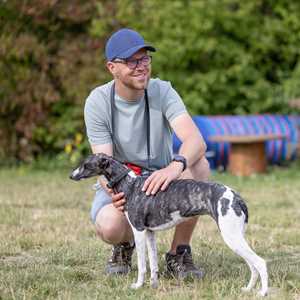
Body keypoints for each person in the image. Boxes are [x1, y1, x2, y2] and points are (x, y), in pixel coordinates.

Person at [84, 28, 210, 279]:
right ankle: (125, 244)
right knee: (109, 226)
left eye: (145, 59)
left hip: (161, 178)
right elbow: (103, 163)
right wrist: (114, 191)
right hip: (124, 184)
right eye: (132, 61)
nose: (141, 66)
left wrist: (175, 167)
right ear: (112, 67)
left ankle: (179, 253)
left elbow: (195, 140)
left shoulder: (162, 91)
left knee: (200, 166)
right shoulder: (97, 101)